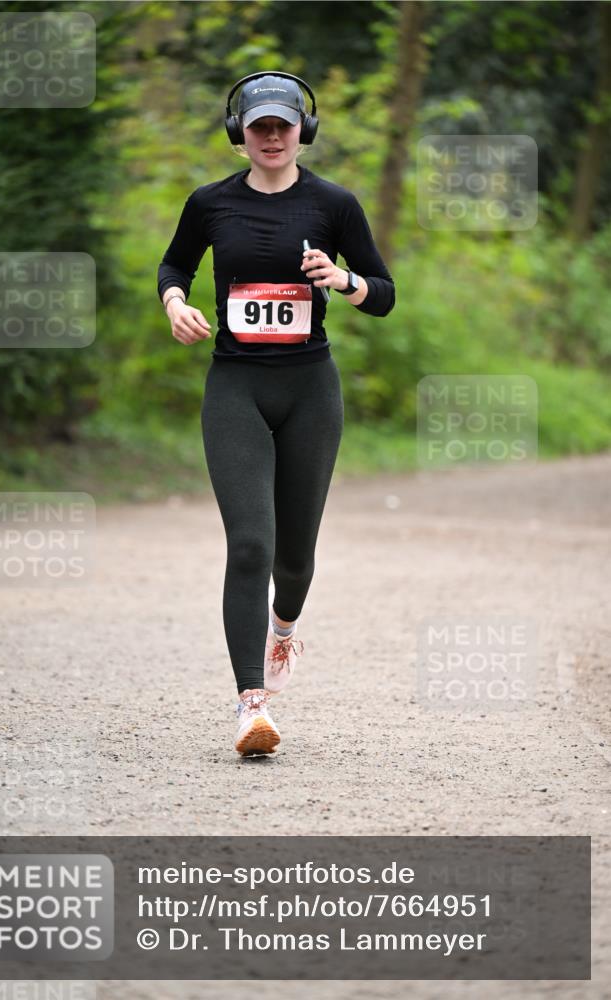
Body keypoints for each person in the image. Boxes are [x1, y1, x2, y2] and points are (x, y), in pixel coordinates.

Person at [157, 72, 395, 756]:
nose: (269, 137)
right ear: (239, 134)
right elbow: (174, 267)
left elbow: (382, 293)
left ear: (302, 132)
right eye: (257, 126)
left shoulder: (334, 204)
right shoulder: (208, 204)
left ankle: (283, 629)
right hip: (234, 388)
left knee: (293, 559)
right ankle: (250, 704)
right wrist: (176, 305)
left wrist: (343, 281)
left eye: (281, 126)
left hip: (309, 392)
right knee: (251, 547)